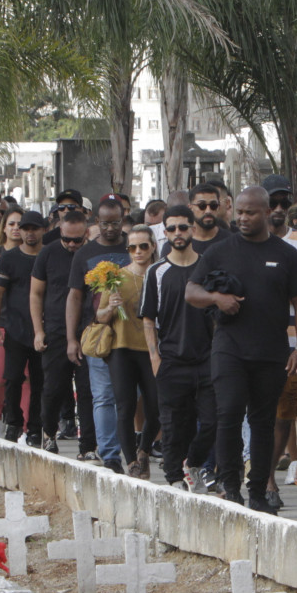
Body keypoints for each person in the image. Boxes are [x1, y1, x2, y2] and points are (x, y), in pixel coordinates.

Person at [187, 186, 297, 511]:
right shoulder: (219, 251)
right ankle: (231, 486)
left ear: (267, 212)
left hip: (271, 351)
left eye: (250, 212)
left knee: (263, 422)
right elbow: (191, 291)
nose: (243, 218)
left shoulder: (285, 254)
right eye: (239, 211)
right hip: (229, 349)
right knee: (227, 414)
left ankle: (258, 489)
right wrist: (217, 299)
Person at [140, 205, 217, 489]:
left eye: (183, 227)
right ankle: (173, 478)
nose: (177, 233)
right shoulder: (156, 272)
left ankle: (193, 462)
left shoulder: (208, 266)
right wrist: (154, 358)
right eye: (170, 228)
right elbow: (149, 318)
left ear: (193, 229)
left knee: (212, 420)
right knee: (172, 424)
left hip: (207, 357)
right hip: (171, 358)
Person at [67, 196, 133, 472]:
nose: (110, 228)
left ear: (123, 220)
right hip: (99, 333)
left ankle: (135, 450)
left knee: (132, 396)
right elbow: (74, 296)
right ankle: (110, 455)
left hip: (132, 333)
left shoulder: (134, 246)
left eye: (115, 222)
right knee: (103, 395)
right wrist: (72, 338)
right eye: (104, 223)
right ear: (96, 222)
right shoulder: (85, 253)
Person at [31, 207, 93, 455]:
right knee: (54, 387)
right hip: (55, 329)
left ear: (86, 234)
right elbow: (35, 294)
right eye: (65, 238)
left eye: (76, 240)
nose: (70, 244)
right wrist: (38, 330)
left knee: (88, 391)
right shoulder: (48, 253)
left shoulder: (91, 254)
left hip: (88, 329)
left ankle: (88, 444)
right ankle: (48, 433)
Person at [100, 225, 161, 477]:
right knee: (124, 405)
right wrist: (112, 306)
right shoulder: (116, 277)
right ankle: (131, 461)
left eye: (143, 246)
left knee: (156, 406)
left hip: (153, 349)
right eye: (132, 247)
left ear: (153, 247)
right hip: (122, 348)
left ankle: (144, 450)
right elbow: (100, 316)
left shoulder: (160, 274)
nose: (137, 252)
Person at [0, 209, 46, 442]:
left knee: (39, 381)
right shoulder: (9, 258)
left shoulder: (47, 255)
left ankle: (34, 427)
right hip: (15, 327)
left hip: (44, 329)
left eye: (34, 228)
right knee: (11, 378)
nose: (29, 233)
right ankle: (12, 422)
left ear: (43, 230)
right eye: (25, 229)